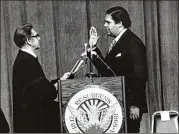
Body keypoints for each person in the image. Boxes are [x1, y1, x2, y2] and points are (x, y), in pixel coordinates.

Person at [82, 6, 148, 133]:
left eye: (108, 22)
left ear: (119, 23)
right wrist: (93, 48)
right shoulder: (119, 42)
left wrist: (135, 104)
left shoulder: (133, 43)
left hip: (129, 105)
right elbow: (108, 71)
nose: (104, 25)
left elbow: (140, 76)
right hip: (116, 103)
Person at [12, 23, 70, 132]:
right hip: (34, 123)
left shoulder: (26, 58)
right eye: (36, 36)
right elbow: (42, 94)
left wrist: (60, 81)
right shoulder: (26, 61)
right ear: (28, 41)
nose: (40, 38)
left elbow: (40, 86)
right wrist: (59, 85)